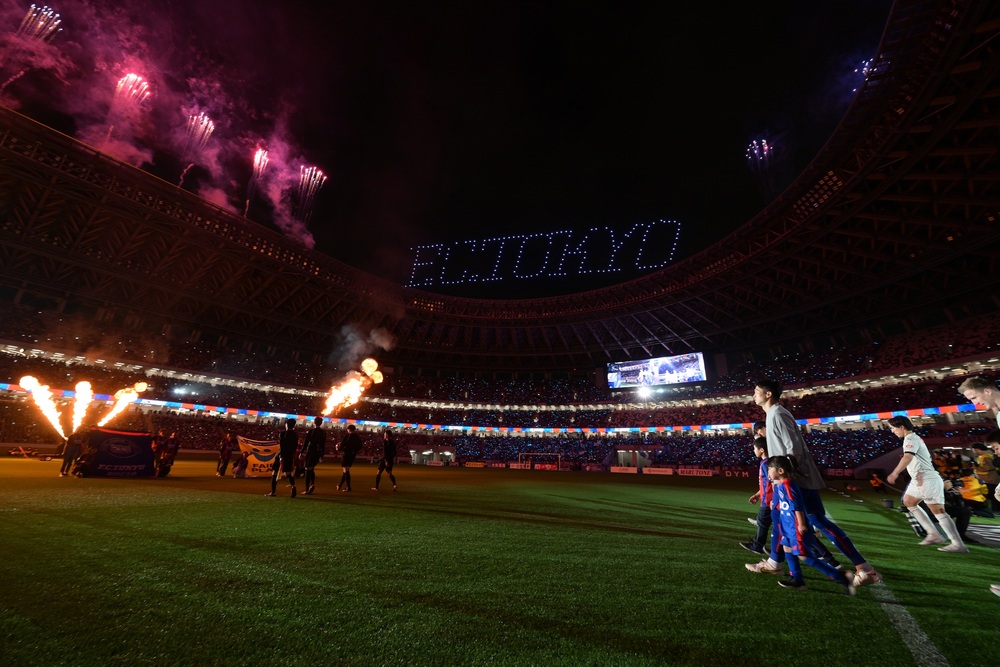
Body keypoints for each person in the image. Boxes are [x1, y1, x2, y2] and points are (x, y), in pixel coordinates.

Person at [753, 379, 882, 586]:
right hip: (796, 477)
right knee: (815, 521)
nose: (754, 395)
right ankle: (863, 567)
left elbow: (793, 448)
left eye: (757, 391)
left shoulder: (776, 414)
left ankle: (777, 564)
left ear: (768, 394)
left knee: (781, 517)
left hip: (793, 479)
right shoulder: (775, 414)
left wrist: (784, 477)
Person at [767, 455, 855, 594]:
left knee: (804, 555)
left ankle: (841, 577)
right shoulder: (781, 485)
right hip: (788, 527)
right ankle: (797, 579)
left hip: (795, 527)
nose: (768, 472)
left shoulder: (789, 485)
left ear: (781, 471)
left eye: (770, 469)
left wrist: (801, 524)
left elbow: (797, 505)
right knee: (787, 548)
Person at [886, 416, 968, 553]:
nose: (892, 431)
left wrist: (895, 473)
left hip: (927, 479)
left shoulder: (911, 438)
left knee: (938, 511)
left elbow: (908, 457)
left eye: (893, 428)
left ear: (902, 427)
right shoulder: (910, 439)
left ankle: (958, 544)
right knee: (909, 502)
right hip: (918, 479)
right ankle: (933, 534)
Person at [739, 437, 773, 555]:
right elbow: (765, 484)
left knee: (763, 523)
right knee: (765, 523)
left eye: (754, 448)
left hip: (768, 500)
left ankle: (758, 546)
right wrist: (758, 495)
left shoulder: (766, 464)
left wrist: (772, 498)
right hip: (766, 498)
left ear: (762, 450)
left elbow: (772, 482)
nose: (754, 451)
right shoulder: (766, 463)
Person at [266, 418, 298, 498]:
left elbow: (282, 446)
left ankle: (273, 492)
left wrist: (281, 456)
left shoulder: (283, 434)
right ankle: (293, 486)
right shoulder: (295, 435)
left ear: (286, 424)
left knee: (275, 472)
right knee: (288, 473)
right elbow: (294, 447)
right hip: (290, 455)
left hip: (282, 455)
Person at [970, 442, 999, 513]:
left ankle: (996, 510)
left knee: (994, 495)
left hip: (991, 479)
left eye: (973, 449)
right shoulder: (982, 456)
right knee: (990, 495)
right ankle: (994, 510)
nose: (973, 451)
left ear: (978, 449)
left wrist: (976, 467)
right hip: (986, 479)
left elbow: (989, 467)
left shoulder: (986, 456)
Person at [301, 416, 326, 494]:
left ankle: (307, 489)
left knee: (307, 469)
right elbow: (323, 444)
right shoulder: (323, 432)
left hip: (311, 451)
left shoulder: (311, 431)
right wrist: (321, 455)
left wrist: (302, 452)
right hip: (317, 452)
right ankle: (312, 484)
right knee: (311, 468)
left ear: (314, 422)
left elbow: (306, 442)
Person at [337, 424, 363, 492]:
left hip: (346, 454)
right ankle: (340, 485)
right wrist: (354, 450)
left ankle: (348, 487)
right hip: (352, 455)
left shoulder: (347, 436)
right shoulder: (357, 437)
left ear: (348, 429)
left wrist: (338, 448)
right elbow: (360, 446)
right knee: (345, 471)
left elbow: (343, 445)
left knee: (346, 471)